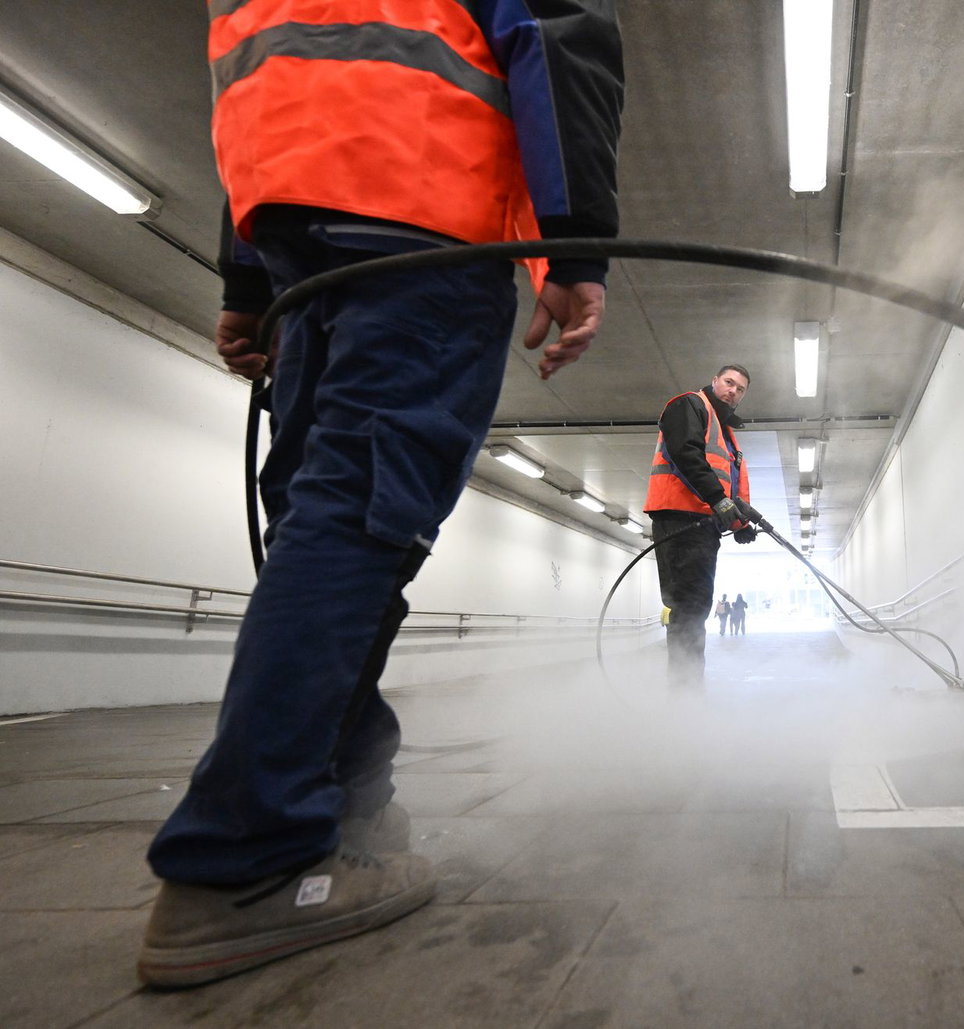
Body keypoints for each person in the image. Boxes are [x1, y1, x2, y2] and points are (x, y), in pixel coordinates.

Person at [139, 0, 623, 988]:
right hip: (421, 214)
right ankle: (249, 858)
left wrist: (245, 273)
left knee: (332, 520)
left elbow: (260, 73)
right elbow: (554, 28)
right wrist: (573, 247)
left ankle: (341, 801)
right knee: (360, 519)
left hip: (297, 233)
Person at [644, 365, 759, 684]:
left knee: (697, 604)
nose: (733, 390)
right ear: (714, 382)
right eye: (728, 382)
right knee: (687, 606)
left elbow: (729, 484)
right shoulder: (689, 405)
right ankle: (685, 695)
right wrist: (718, 500)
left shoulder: (724, 431)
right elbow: (685, 453)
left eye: (741, 388)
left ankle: (688, 689)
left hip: (704, 523)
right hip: (679, 518)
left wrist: (739, 524)